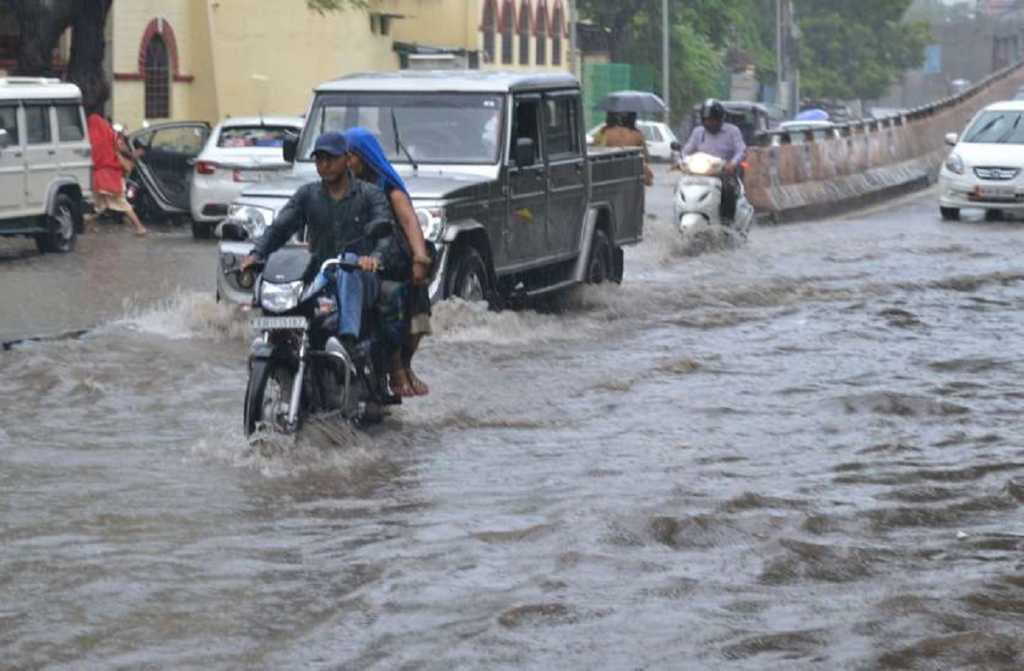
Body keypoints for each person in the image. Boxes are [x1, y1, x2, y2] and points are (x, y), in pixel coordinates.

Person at [240, 131, 394, 350]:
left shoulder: (370, 194)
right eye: (319, 159)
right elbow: (280, 228)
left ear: (347, 159)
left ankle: (346, 342)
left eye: (331, 158)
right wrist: (256, 254)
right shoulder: (307, 195)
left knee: (348, 263)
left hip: (360, 276)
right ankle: (276, 343)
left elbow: (385, 232)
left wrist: (374, 258)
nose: (325, 164)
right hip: (318, 280)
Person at [345, 127, 434, 398]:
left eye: (349, 156)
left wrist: (420, 258)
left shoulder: (389, 189)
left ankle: (402, 367)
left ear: (363, 157)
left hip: (394, 264)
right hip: (358, 262)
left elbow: (410, 222)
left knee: (411, 313)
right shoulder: (344, 188)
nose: (345, 162)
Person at [83, 84, 147, 236]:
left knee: (113, 203)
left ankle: (140, 227)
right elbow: (119, 145)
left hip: (102, 174)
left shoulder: (91, 133)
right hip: (110, 173)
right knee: (101, 205)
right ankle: (84, 227)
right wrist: (131, 154)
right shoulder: (108, 130)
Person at [680, 99, 746, 221]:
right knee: (680, 185)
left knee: (728, 190)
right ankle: (680, 216)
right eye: (707, 120)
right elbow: (686, 150)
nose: (710, 123)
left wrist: (732, 164)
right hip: (700, 172)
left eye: (713, 120)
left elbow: (741, 150)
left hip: (723, 172)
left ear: (721, 119)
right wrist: (683, 161)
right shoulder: (698, 132)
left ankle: (727, 223)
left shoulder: (732, 131)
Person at [594, 111, 654, 186]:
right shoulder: (638, 134)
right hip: (632, 173)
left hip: (611, 172)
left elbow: (598, 150)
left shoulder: (605, 132)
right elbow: (647, 157)